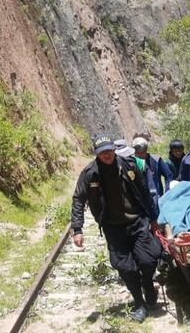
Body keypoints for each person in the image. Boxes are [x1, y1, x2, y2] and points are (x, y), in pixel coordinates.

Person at [71, 134, 161, 322]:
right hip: (113, 227)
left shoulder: (128, 165)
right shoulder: (90, 173)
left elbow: (144, 191)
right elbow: (78, 199)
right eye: (103, 152)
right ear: (96, 154)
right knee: (126, 268)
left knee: (149, 259)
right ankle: (139, 303)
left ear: (114, 149)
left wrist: (153, 218)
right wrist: (77, 228)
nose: (107, 155)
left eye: (110, 151)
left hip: (137, 222)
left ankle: (147, 283)